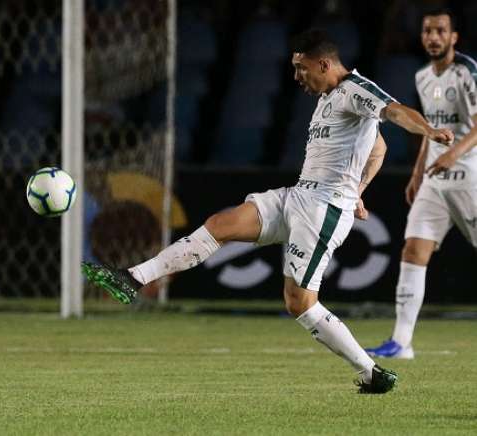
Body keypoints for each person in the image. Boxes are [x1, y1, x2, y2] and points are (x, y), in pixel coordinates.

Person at [82, 29, 454, 394]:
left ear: (324, 64)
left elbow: (395, 111)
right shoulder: (329, 98)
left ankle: (370, 372)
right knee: (220, 225)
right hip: (297, 196)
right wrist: (359, 190)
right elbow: (378, 148)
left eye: (301, 68)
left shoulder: (356, 89)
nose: (297, 78)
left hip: (323, 209)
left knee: (299, 303)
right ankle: (131, 278)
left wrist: (429, 131)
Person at [365, 8, 477, 359]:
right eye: (428, 31)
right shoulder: (423, 77)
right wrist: (417, 174)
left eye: (441, 31)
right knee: (413, 250)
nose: (433, 37)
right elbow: (429, 130)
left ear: (453, 37)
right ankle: (401, 343)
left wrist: (453, 155)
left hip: (468, 178)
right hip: (433, 182)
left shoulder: (466, 72)